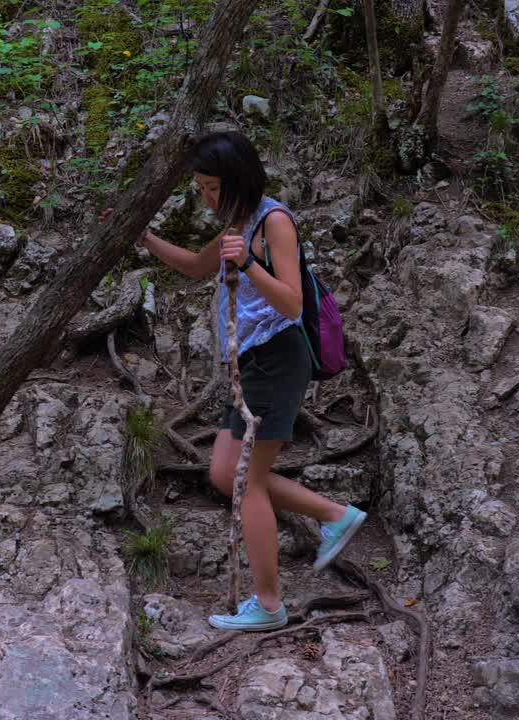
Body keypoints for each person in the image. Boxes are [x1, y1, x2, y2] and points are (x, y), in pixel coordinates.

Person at [105, 131, 365, 631]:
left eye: (211, 187)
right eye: (200, 187)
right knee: (226, 475)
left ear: (238, 180)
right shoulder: (239, 223)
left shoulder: (274, 223)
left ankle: (269, 606)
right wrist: (144, 238)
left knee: (244, 482)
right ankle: (334, 515)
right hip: (249, 365)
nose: (205, 197)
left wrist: (247, 261)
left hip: (276, 357)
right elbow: (196, 267)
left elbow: (290, 303)